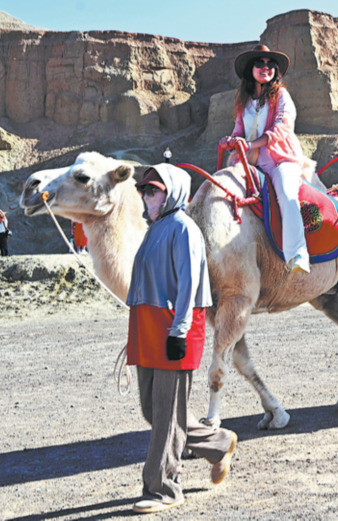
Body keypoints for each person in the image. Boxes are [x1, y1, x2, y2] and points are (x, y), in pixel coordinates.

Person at [127, 164, 238, 514]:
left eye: (153, 190)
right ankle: (218, 442)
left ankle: (163, 487)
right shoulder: (156, 228)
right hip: (150, 329)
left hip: (175, 330)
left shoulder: (183, 229)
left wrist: (177, 331)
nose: (147, 197)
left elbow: (188, 284)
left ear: (171, 191)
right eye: (144, 191)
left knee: (165, 414)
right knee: (153, 408)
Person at [221, 43, 311, 274]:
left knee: (286, 194)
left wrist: (250, 144)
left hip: (281, 160)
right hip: (253, 163)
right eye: (259, 63)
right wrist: (231, 140)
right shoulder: (244, 102)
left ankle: (298, 254)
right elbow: (239, 129)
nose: (265, 67)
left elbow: (282, 128)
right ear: (250, 68)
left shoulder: (281, 96)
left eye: (270, 64)